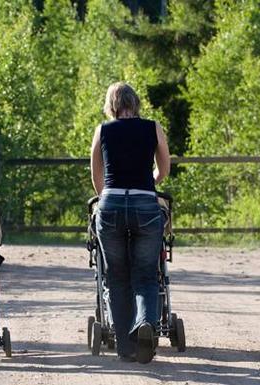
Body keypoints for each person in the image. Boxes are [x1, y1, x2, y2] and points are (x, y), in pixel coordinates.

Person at [90, 82, 170, 364]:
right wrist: (150, 182)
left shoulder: (103, 130)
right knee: (147, 274)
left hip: (110, 203)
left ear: (112, 105)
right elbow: (165, 168)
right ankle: (146, 322)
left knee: (117, 276)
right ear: (134, 103)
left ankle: (125, 347)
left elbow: (96, 174)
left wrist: (107, 198)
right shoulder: (153, 128)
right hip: (145, 204)